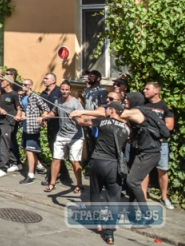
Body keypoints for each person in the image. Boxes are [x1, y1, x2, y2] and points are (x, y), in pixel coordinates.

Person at [71, 92, 163, 225]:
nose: (125, 101)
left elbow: (99, 116)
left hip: (148, 152)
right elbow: (125, 130)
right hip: (133, 152)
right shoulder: (126, 125)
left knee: (132, 181)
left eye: (127, 99)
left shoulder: (135, 112)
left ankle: (147, 215)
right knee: (119, 189)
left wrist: (79, 113)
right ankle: (124, 217)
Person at [74, 101, 130, 246]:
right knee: (113, 199)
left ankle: (98, 222)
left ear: (112, 111)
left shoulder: (103, 122)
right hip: (114, 166)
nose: (105, 111)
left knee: (95, 193)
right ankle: (109, 234)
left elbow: (82, 121)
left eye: (107, 109)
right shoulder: (126, 128)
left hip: (99, 161)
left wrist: (75, 115)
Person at [43, 81, 84, 193]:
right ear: (60, 90)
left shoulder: (75, 103)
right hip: (62, 134)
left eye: (66, 90)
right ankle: (52, 183)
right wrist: (46, 116)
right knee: (56, 159)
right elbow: (53, 112)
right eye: (62, 89)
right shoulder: (58, 101)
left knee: (74, 160)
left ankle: (79, 184)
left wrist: (76, 117)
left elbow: (82, 117)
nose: (64, 91)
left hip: (75, 136)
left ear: (70, 90)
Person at [141, 82, 175, 210]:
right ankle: (143, 197)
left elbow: (170, 126)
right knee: (144, 170)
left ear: (156, 91)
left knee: (162, 170)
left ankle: (164, 197)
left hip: (161, 143)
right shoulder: (143, 105)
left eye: (147, 89)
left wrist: (153, 128)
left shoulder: (164, 106)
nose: (144, 90)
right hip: (145, 143)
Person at [40, 72, 70, 185]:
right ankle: (64, 173)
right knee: (54, 149)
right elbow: (44, 109)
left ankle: (54, 175)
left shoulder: (59, 91)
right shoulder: (43, 94)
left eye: (46, 78)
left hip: (61, 125)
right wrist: (44, 119)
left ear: (53, 80)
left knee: (59, 150)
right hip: (51, 126)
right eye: (44, 78)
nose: (44, 80)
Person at [0, 75, 21, 178]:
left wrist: (18, 116)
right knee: (9, 142)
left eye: (3, 81)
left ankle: (3, 167)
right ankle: (16, 163)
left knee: (4, 144)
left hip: (10, 122)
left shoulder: (14, 95)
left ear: (8, 83)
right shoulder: (3, 93)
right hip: (2, 121)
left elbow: (19, 108)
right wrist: (0, 110)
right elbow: (0, 105)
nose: (1, 82)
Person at [80, 70, 108, 169]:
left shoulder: (102, 91)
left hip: (96, 121)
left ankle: (95, 165)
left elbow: (103, 106)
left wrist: (96, 119)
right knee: (88, 142)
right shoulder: (87, 90)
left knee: (96, 143)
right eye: (89, 76)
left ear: (98, 79)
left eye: (92, 76)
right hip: (86, 120)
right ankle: (89, 163)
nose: (89, 77)